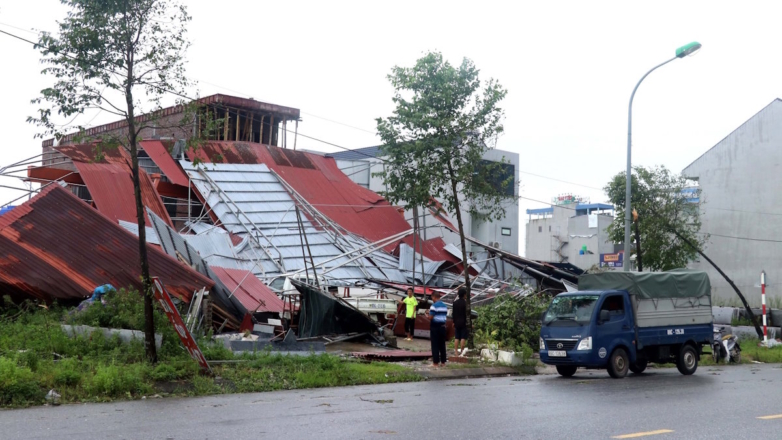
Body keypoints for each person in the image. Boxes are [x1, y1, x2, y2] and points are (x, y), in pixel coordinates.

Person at [427, 291, 448, 367]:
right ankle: (443, 362)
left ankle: (435, 362)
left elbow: (431, 317)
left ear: (434, 297)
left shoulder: (433, 306)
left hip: (435, 327)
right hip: (443, 326)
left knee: (435, 344)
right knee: (442, 344)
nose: (432, 299)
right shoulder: (444, 306)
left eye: (432, 297)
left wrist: (427, 315)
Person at [452, 287, 468, 356]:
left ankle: (456, 351)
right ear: (464, 295)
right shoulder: (465, 304)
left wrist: (453, 322)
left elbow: (453, 313)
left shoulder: (455, 303)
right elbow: (467, 314)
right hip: (463, 322)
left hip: (456, 322)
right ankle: (461, 352)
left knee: (457, 337)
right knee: (463, 337)